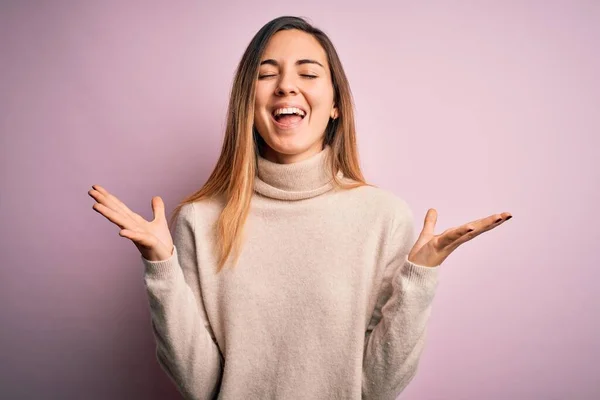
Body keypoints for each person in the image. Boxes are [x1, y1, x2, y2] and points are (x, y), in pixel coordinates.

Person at [88, 15, 512, 400]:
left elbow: (377, 389)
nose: (286, 86)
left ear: (335, 106)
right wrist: (161, 265)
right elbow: (201, 386)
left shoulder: (383, 217)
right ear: (247, 105)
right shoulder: (200, 221)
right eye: (266, 75)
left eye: (308, 73)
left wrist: (420, 277)